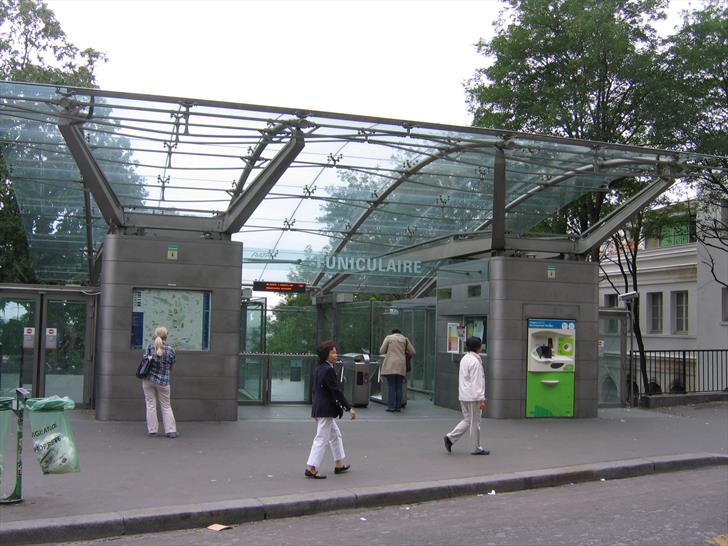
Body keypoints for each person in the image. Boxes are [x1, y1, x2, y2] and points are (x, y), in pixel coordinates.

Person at [305, 340, 357, 479]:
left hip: (321, 409)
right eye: (333, 352)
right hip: (326, 409)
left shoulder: (320, 368)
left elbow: (315, 391)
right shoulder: (328, 370)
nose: (336, 354)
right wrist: (349, 408)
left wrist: (314, 411)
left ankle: (339, 464)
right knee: (321, 438)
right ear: (326, 355)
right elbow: (336, 392)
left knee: (335, 435)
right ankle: (311, 467)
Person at [444, 336, 489, 455]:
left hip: (463, 395)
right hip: (473, 396)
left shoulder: (464, 358)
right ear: (478, 348)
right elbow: (477, 382)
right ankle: (475, 448)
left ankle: (450, 438)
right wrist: (481, 399)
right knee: (475, 422)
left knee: (468, 419)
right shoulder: (476, 362)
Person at [141, 326, 178, 438]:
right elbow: (172, 367)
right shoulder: (171, 350)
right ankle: (171, 431)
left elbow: (144, 362)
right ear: (166, 336)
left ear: (155, 335)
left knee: (150, 405)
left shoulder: (149, 348)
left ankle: (152, 431)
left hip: (148, 380)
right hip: (163, 381)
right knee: (166, 405)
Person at [379, 328, 415, 412]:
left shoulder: (389, 338)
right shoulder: (405, 339)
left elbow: (382, 350)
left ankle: (391, 406)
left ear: (392, 333)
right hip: (401, 365)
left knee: (391, 385)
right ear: (400, 333)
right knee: (399, 386)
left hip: (390, 365)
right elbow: (413, 352)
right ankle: (398, 407)